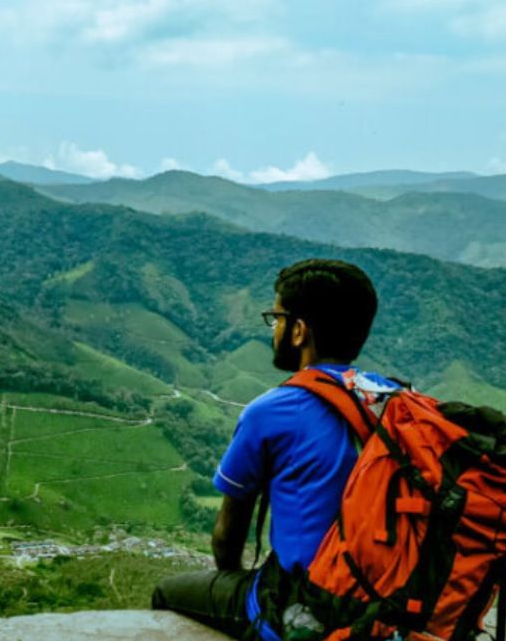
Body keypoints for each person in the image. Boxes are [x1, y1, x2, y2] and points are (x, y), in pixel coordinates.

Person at [152, 258, 398, 641]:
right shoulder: (396, 400)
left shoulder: (271, 411)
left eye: (277, 318)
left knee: (165, 592)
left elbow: (226, 536)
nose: (275, 328)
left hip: (305, 610)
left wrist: (233, 579)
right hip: (384, 606)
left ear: (299, 331)